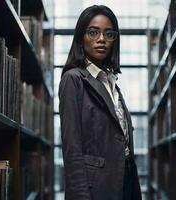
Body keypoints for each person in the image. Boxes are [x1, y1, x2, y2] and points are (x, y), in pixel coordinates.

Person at [59, 5, 142, 200]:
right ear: (81, 37)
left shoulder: (111, 82)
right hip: (96, 187)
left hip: (126, 179)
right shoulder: (73, 79)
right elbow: (72, 149)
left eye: (109, 34)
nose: (102, 39)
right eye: (93, 32)